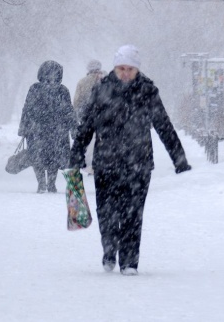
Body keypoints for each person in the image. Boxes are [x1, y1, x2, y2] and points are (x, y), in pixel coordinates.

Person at [69, 44, 191, 275]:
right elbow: (86, 126)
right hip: (106, 163)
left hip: (139, 163)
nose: (125, 73)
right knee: (106, 212)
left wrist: (179, 159)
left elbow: (163, 125)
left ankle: (129, 262)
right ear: (115, 68)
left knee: (133, 214)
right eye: (121, 68)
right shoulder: (101, 90)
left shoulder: (147, 91)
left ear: (137, 69)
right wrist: (76, 155)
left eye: (130, 69)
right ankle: (109, 251)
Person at [19, 60, 77, 193]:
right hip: (48, 129)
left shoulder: (41, 89)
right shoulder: (55, 89)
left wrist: (74, 127)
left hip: (46, 130)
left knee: (47, 157)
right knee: (46, 157)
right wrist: (24, 126)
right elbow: (27, 109)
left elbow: (69, 110)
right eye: (50, 73)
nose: (52, 76)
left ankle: (48, 183)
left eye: (55, 73)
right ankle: (45, 183)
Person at [73, 59, 105, 173]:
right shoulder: (106, 80)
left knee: (87, 142)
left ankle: (89, 165)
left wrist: (79, 115)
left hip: (87, 116)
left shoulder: (82, 82)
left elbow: (77, 102)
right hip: (104, 116)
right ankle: (99, 164)